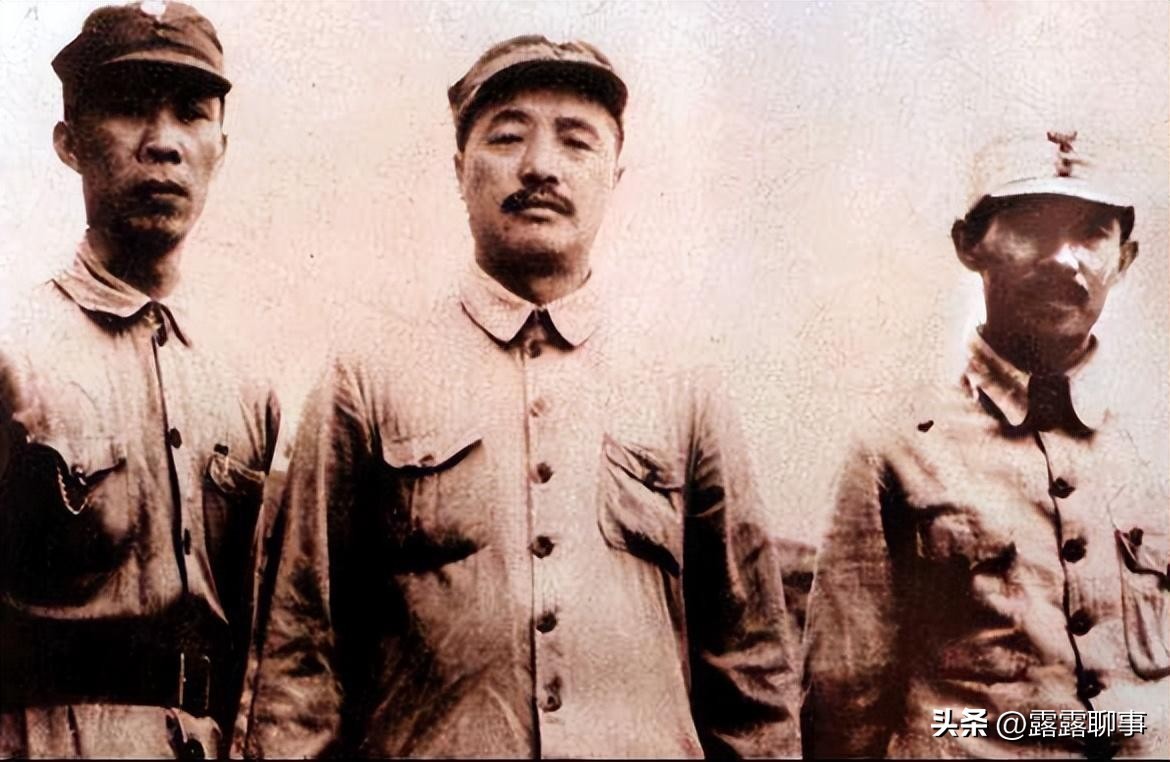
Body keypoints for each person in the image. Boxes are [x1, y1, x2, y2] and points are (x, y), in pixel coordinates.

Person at [241, 35, 800, 758]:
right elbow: (299, 654)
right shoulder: (367, 376)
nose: (539, 166)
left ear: (615, 176)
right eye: (508, 137)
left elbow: (752, 670)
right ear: (459, 170)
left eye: (576, 141)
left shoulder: (684, 386)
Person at [802, 130, 1169, 758]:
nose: (1064, 259)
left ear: (1124, 258)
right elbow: (843, 706)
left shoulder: (1155, 443)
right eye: (1031, 228)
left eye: (1091, 234)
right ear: (970, 244)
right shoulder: (897, 448)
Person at [0, 2, 279, 757]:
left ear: (221, 146)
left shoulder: (249, 381)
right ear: (69, 143)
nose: (162, 144)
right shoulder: (14, 351)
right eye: (127, 109)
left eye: (191, 114)